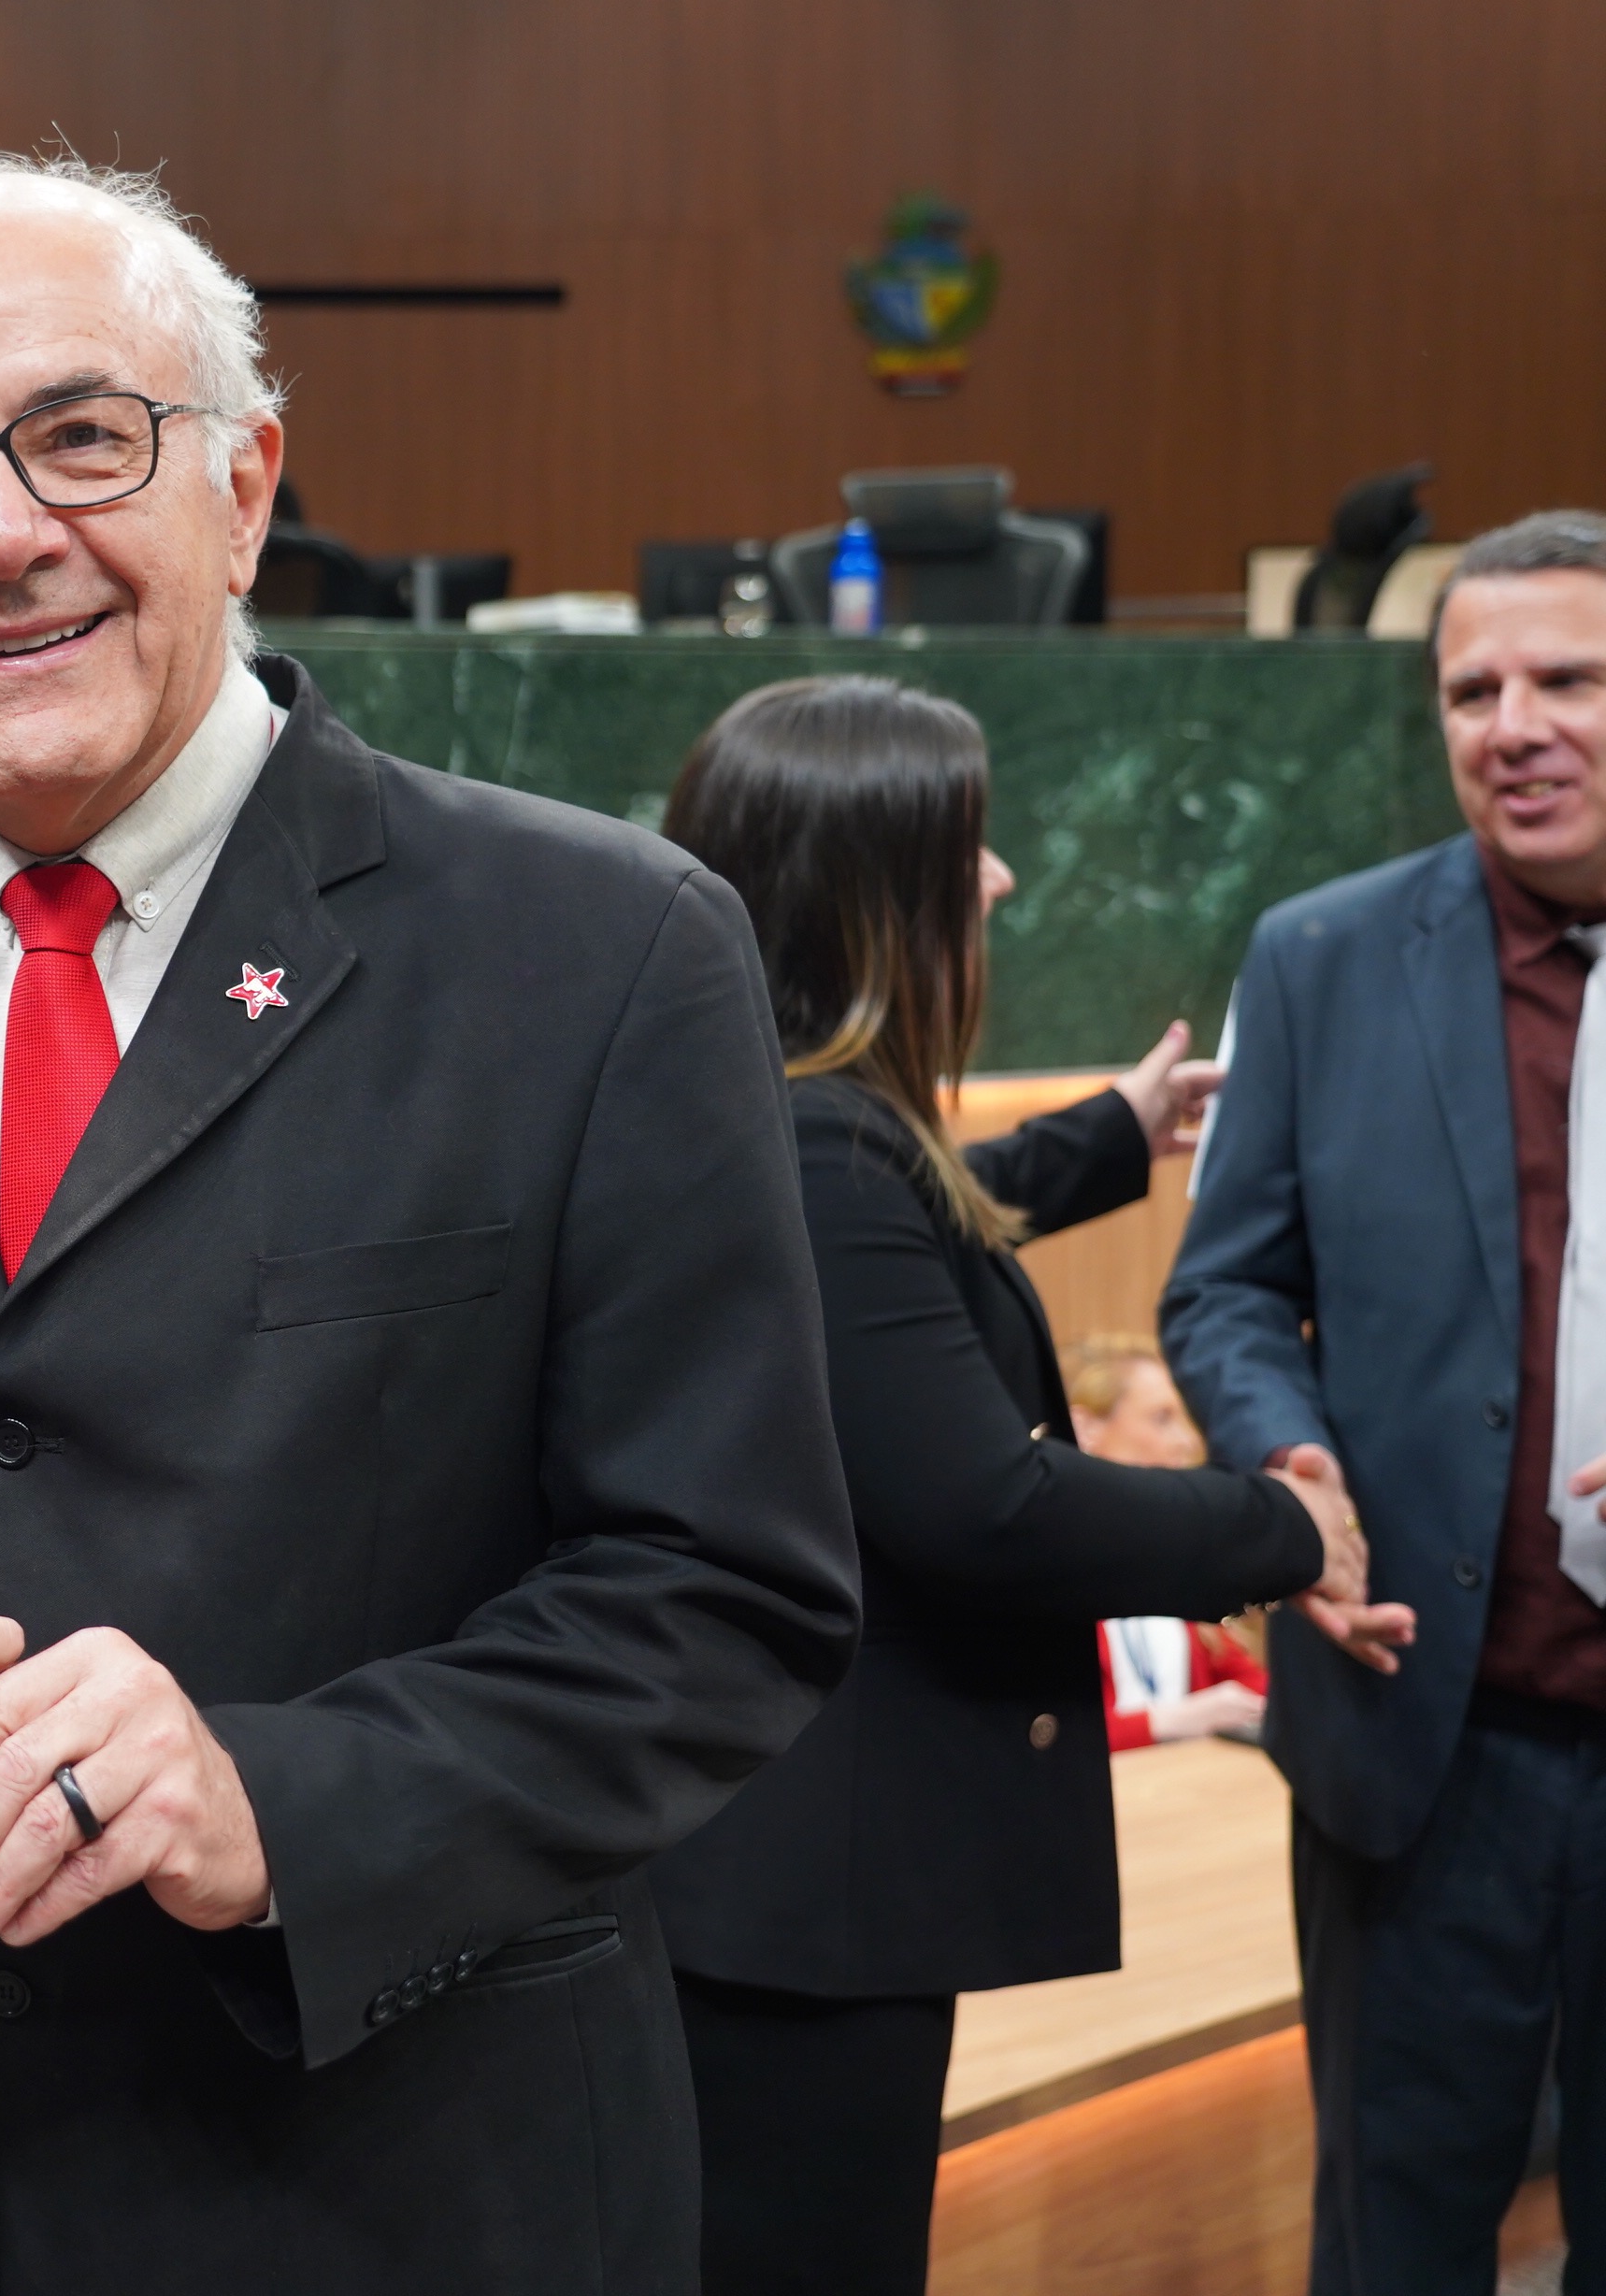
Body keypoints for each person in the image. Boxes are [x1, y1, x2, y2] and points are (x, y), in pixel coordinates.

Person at [0, 147, 865, 2292]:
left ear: (243, 487)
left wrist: (275, 1796)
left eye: (83, 435)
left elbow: (725, 1588)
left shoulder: (599, 948)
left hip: (400, 2189)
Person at [642, 675, 1352, 2295]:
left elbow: (912, 1223)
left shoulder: (778, 1119)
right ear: (872, 895)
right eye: (965, 843)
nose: (1003, 878)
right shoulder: (826, 1156)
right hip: (807, 1915)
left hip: (767, 1892)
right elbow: (991, 1507)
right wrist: (1283, 1528)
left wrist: (1109, 1134)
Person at [1167, 509, 1606, 2290]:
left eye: (1568, 678)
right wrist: (1290, 1460)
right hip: (1424, 1739)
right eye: (1472, 689)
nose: (1515, 725)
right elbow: (1222, 1286)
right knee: (1395, 2244)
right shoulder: (1322, 955)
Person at [1068, 1336, 1272, 1749]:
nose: (1186, 1442)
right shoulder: (1045, 1573)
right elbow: (1046, 1737)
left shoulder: (1174, 1561)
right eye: (1162, 1419)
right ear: (1085, 1428)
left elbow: (1249, 1687)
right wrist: (1168, 1721)